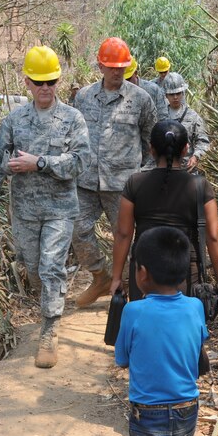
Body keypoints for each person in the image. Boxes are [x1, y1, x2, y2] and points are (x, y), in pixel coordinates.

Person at [0, 45, 90, 368]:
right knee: (31, 267)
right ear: (27, 82)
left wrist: (39, 162)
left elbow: (81, 162)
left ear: (58, 81)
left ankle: (50, 328)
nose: (45, 88)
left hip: (59, 209)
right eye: (39, 82)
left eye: (51, 81)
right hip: (24, 211)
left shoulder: (72, 119)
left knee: (51, 265)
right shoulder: (14, 121)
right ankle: (49, 302)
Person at [115, 226, 208, 436]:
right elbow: (197, 342)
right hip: (187, 409)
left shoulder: (133, 311)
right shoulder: (195, 307)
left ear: (142, 272)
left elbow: (121, 359)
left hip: (148, 415)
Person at [72, 37, 157, 307]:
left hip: (123, 184)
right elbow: (73, 135)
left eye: (122, 66)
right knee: (76, 229)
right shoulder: (83, 97)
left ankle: (134, 296)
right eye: (112, 67)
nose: (117, 72)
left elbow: (151, 140)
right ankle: (101, 277)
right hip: (86, 180)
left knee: (128, 240)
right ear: (100, 66)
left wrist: (144, 173)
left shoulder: (140, 99)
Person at [109, 119, 218, 304]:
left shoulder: (135, 183)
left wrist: (116, 277)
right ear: (186, 149)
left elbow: (123, 233)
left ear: (151, 149)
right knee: (183, 327)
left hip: (143, 273)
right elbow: (214, 236)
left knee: (144, 325)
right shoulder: (199, 185)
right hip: (185, 273)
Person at [163, 72, 210, 172]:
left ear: (183, 93)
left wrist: (196, 157)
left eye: (178, 93)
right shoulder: (160, 116)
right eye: (171, 94)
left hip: (187, 171)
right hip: (166, 171)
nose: (175, 97)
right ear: (166, 95)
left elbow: (203, 142)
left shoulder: (193, 116)